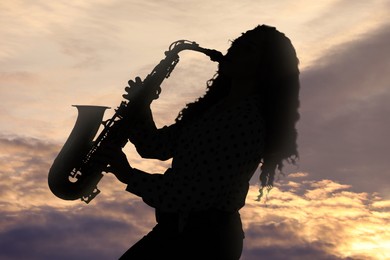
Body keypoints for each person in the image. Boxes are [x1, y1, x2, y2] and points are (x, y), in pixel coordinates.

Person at [101, 24, 300, 259]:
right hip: (179, 230)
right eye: (237, 43)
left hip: (207, 240)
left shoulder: (248, 122)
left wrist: (129, 175)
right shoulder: (212, 110)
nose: (234, 50)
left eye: (248, 48)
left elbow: (194, 193)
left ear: (265, 67)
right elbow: (155, 146)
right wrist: (141, 108)